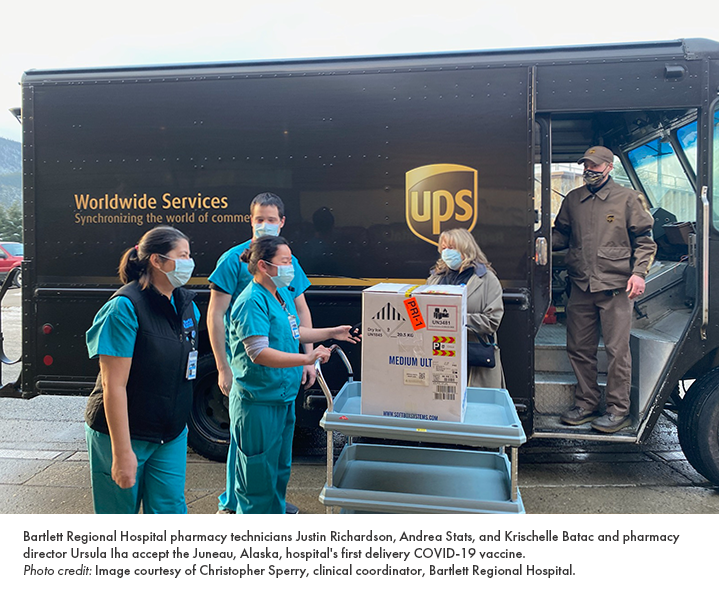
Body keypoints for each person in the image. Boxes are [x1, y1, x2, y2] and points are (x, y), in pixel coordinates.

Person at [228, 235, 358, 513]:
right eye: (285, 262)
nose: (291, 267)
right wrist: (306, 358)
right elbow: (259, 352)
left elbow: (295, 332)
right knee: (257, 476)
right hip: (258, 402)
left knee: (278, 469)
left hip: (282, 397)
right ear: (264, 266)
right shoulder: (251, 301)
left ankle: (274, 513)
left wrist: (332, 332)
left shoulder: (280, 295)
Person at [208, 192, 313, 514]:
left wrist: (307, 357)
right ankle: (240, 503)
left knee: (271, 453)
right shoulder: (234, 262)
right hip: (252, 372)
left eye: (271, 219)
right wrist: (222, 368)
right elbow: (215, 315)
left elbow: (299, 311)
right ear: (250, 220)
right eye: (259, 219)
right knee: (250, 451)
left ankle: (267, 504)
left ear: (282, 222)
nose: (264, 225)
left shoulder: (287, 261)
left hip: (280, 373)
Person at [84, 226, 200, 514]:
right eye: (181, 255)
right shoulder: (125, 307)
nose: (189, 262)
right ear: (156, 261)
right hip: (125, 433)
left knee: (170, 510)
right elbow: (114, 386)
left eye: (189, 255)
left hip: (170, 432)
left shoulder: (186, 305)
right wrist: (122, 453)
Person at [554, 146, 657, 433]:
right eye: (586, 165)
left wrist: (639, 274)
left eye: (595, 166)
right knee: (579, 348)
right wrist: (534, 238)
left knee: (617, 352)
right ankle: (586, 404)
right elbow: (561, 234)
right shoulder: (574, 199)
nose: (590, 170)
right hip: (580, 285)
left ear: (609, 167)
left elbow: (646, 241)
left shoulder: (627, 199)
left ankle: (617, 410)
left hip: (616, 288)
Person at [427, 228, 505, 389]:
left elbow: (492, 321)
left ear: (465, 249)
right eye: (444, 248)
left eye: (452, 248)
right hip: (441, 357)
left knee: (477, 408)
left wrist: (454, 320)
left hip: (474, 358)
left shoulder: (487, 279)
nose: (447, 253)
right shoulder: (434, 279)